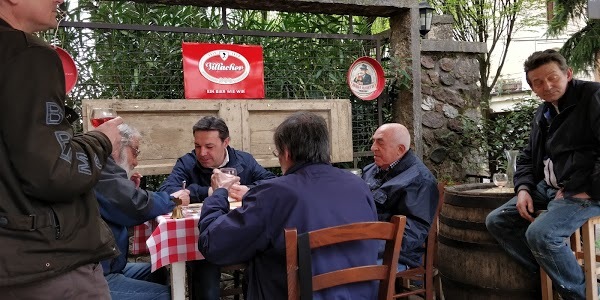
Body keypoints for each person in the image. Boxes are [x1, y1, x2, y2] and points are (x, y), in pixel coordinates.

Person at [0, 0, 125, 298]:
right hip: (43, 261)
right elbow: (56, 172)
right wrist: (101, 141)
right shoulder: (28, 55)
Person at [198, 111, 379, 299]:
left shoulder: (275, 193)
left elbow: (213, 245)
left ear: (286, 152)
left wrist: (218, 194)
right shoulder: (359, 186)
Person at [486, 49, 600, 300]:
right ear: (532, 88)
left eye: (553, 77)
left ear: (568, 74)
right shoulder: (543, 113)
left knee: (541, 234)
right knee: (498, 221)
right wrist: (524, 189)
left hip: (587, 191)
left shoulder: (593, 96)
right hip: (548, 188)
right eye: (538, 82)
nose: (547, 86)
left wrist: (584, 189)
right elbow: (528, 157)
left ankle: (584, 295)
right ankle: (554, 276)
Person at [158, 115, 276, 300]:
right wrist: (209, 192)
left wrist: (249, 190)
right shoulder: (187, 162)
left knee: (267, 260)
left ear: (226, 142)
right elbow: (166, 191)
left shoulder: (244, 160)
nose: (202, 153)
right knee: (206, 273)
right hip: (205, 238)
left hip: (243, 235)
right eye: (198, 146)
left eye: (209, 147)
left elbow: (272, 183)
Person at [95, 124, 191, 299]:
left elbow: (123, 205)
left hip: (109, 265)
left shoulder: (101, 168)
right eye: (136, 152)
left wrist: (128, 188)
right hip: (96, 275)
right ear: (117, 146)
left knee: (161, 272)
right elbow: (136, 206)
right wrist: (174, 200)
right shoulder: (101, 169)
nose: (136, 161)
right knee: (168, 295)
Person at [362, 123, 439, 271]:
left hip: (396, 253)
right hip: (366, 240)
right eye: (374, 141)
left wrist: (366, 244)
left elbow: (411, 234)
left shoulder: (420, 181)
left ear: (400, 150)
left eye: (380, 142)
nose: (373, 147)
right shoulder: (372, 169)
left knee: (348, 270)